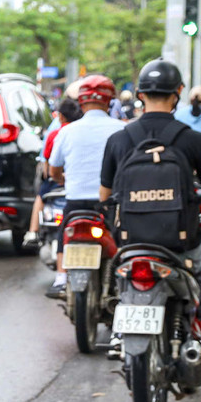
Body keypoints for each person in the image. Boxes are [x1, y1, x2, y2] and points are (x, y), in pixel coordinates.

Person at [98, 59, 201, 361]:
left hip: (133, 240)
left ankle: (117, 330)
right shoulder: (193, 140)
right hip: (179, 243)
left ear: (139, 94)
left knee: (120, 268)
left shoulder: (118, 140)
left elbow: (105, 195)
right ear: (177, 92)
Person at [45, 75, 124, 298]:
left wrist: (63, 180)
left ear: (81, 101)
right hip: (109, 203)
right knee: (120, 237)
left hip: (76, 202)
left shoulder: (66, 131)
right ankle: (120, 277)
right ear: (109, 101)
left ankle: (61, 278)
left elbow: (54, 171)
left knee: (65, 231)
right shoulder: (121, 129)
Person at [23, 97, 82, 250]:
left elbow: (48, 165)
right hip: (79, 180)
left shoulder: (56, 134)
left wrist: (53, 177)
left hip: (58, 179)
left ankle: (32, 231)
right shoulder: (83, 133)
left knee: (41, 196)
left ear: (61, 116)